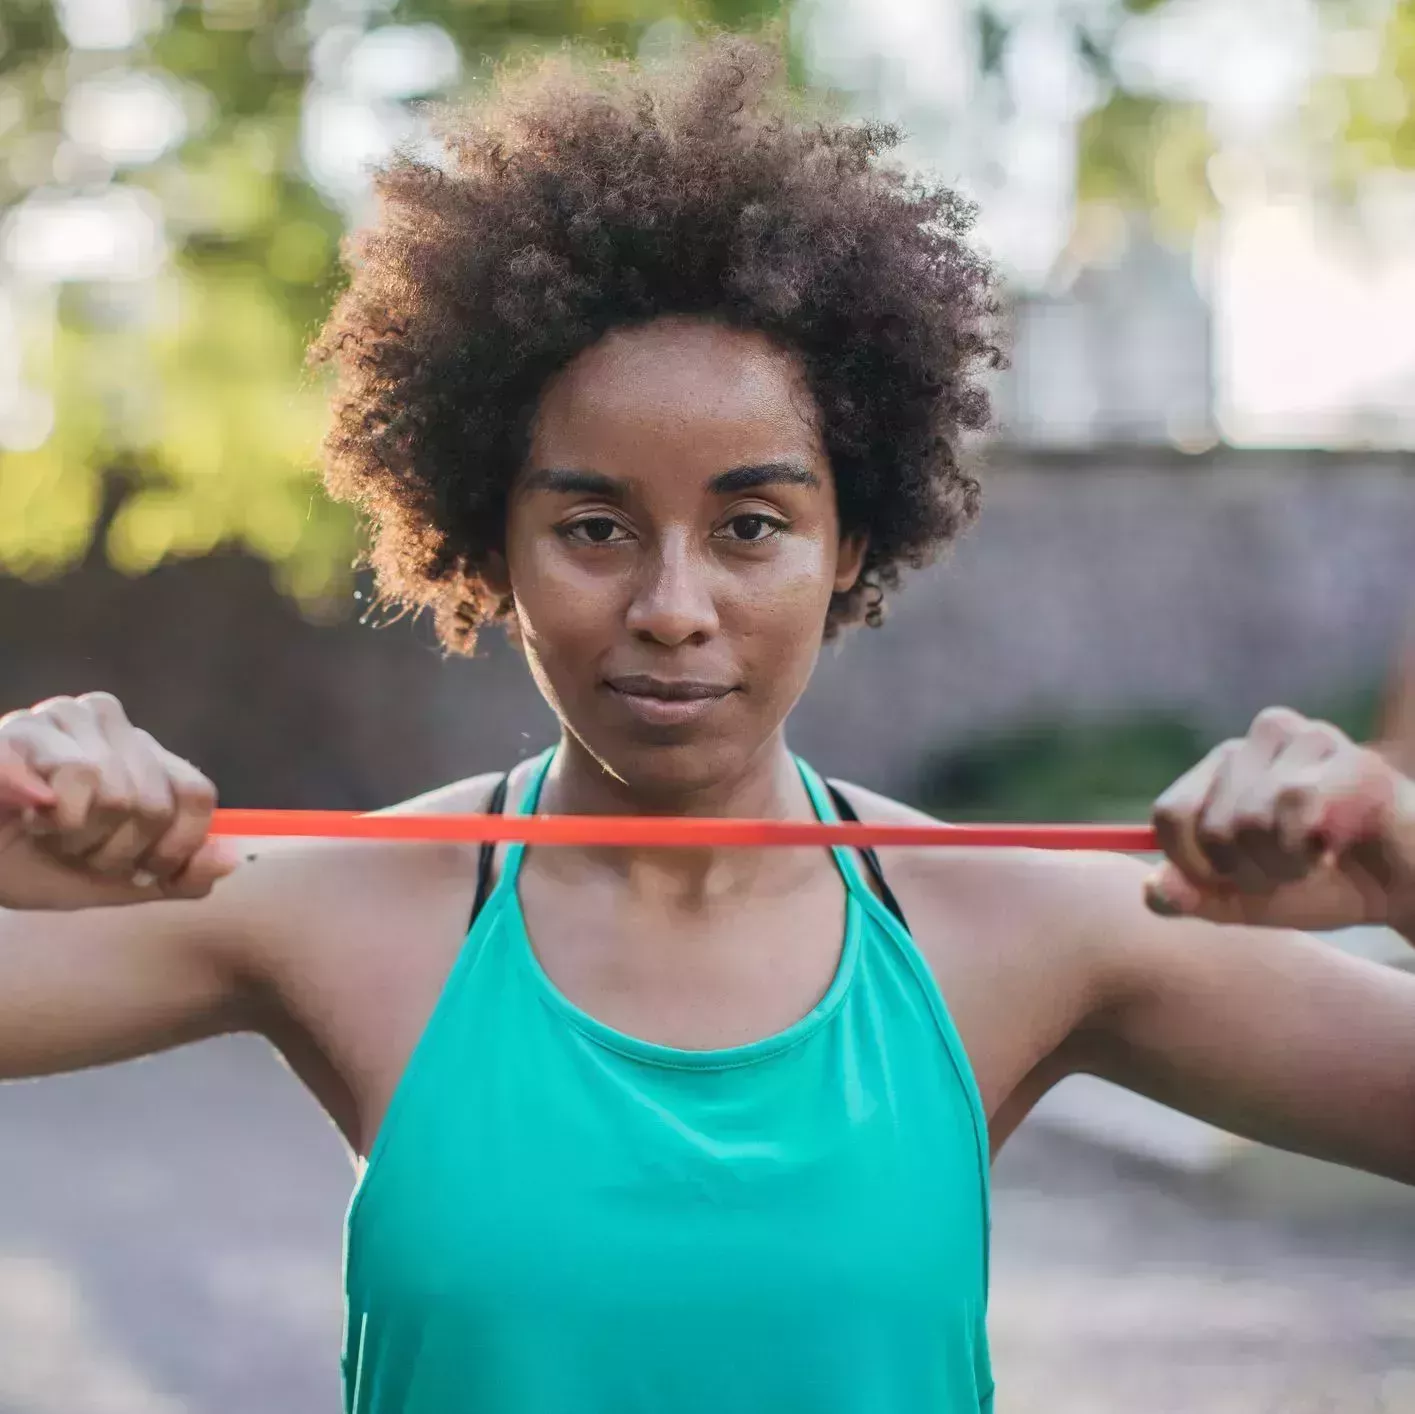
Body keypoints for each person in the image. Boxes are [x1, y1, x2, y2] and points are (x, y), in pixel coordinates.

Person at [2, 33, 1413, 1414]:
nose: (673, 605)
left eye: (750, 524)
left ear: (849, 541)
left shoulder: (1024, 926)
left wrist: (1404, 873)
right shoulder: (337, 906)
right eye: (594, 526)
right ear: (488, 543)